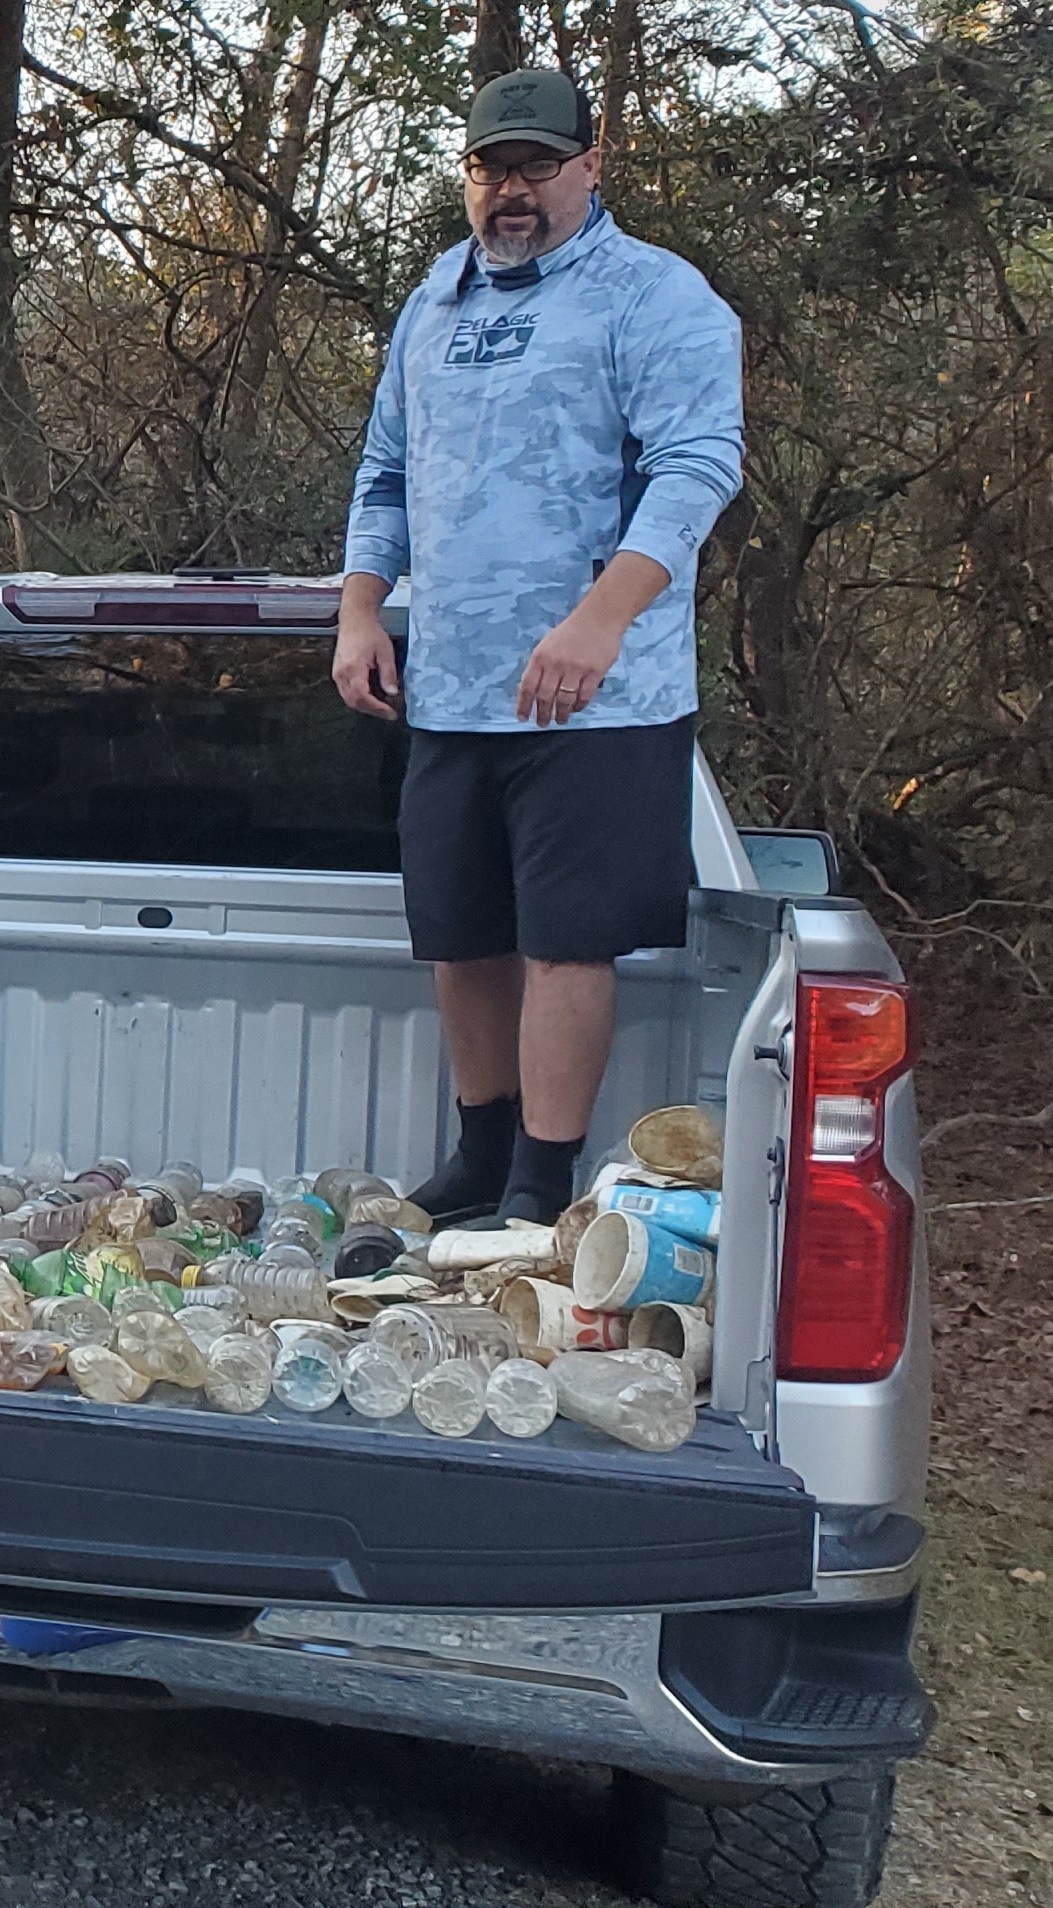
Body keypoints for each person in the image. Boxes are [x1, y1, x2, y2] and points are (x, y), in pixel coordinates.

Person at [333, 68, 743, 1224]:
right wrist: (363, 612)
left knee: (567, 946)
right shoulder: (436, 300)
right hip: (452, 687)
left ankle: (537, 1186)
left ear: (589, 166)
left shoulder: (653, 297)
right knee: (464, 939)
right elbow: (386, 474)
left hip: (597, 698)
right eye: (491, 170)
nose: (512, 193)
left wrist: (601, 618)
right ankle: (481, 1152)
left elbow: (698, 467)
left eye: (536, 168)